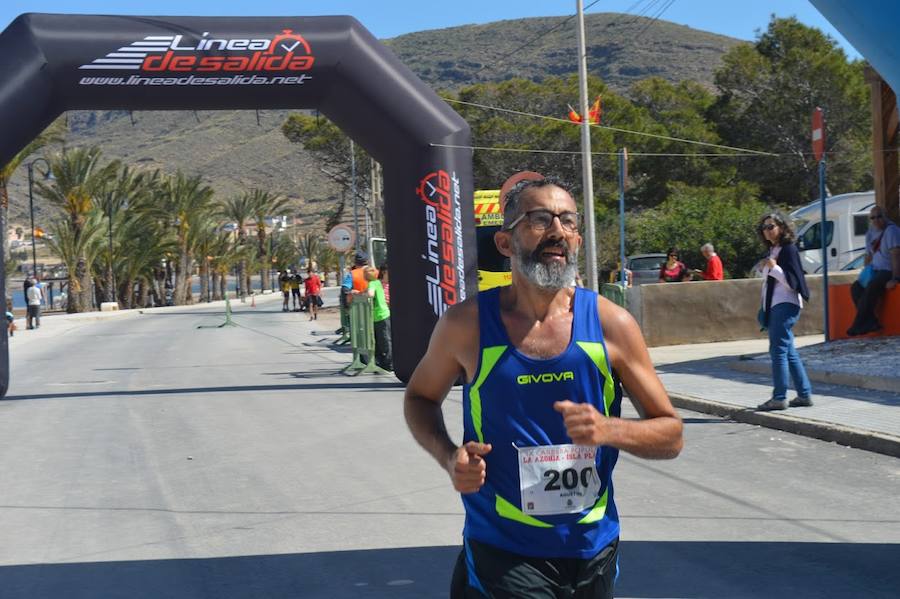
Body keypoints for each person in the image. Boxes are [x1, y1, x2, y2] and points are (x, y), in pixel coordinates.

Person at [404, 175, 683, 599]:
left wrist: (611, 430)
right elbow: (420, 398)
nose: (557, 232)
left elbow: (671, 433)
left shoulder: (612, 325)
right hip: (502, 544)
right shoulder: (467, 326)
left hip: (592, 547)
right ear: (504, 243)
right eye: (539, 219)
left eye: (568, 221)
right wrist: (449, 457)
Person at [755, 212, 813, 411]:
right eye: (764, 228)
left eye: (771, 226)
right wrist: (767, 266)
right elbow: (767, 280)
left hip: (786, 304)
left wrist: (775, 268)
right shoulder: (773, 250)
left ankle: (779, 398)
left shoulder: (788, 250)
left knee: (777, 351)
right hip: (774, 305)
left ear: (782, 227)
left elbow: (793, 282)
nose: (767, 231)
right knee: (788, 351)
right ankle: (804, 394)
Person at [847, 206, 900, 336]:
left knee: (873, 285)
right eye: (873, 217)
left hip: (888, 270)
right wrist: (865, 273)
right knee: (856, 287)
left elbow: (896, 256)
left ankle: (858, 324)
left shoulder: (891, 231)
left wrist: (895, 278)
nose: (876, 220)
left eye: (879, 216)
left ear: (885, 216)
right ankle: (871, 322)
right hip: (875, 270)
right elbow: (868, 256)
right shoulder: (870, 233)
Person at [364, 266, 392, 370]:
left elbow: (370, 294)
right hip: (381, 315)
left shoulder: (373, 283)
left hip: (381, 315)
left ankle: (389, 363)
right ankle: (384, 362)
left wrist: (364, 295)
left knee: (384, 340)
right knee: (383, 340)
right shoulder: (377, 283)